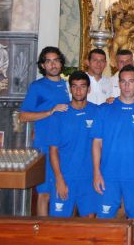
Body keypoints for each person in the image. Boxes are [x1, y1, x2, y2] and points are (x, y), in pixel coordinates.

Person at [92, 65, 134, 239]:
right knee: (104, 220)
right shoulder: (104, 109)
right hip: (108, 175)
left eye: (131, 81)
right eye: (123, 82)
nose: (127, 86)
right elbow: (97, 143)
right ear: (118, 84)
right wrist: (97, 172)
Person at [19, 46, 70, 216]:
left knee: (66, 191)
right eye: (48, 61)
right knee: (45, 194)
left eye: (56, 60)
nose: (53, 64)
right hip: (45, 146)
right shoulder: (37, 87)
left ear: (61, 63)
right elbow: (23, 116)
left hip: (66, 146)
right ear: (42, 65)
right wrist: (49, 111)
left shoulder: (68, 85)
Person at [48, 71, 99, 218]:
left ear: (88, 89)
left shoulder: (97, 111)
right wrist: (59, 179)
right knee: (59, 225)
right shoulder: (59, 114)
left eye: (82, 86)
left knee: (90, 223)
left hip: (89, 178)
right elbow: (53, 150)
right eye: (74, 86)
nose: (78, 90)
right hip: (66, 176)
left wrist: (111, 100)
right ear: (70, 89)